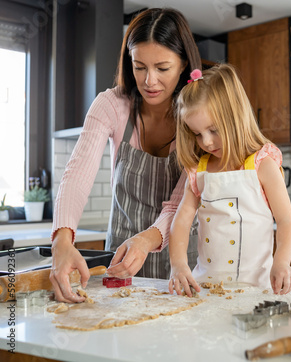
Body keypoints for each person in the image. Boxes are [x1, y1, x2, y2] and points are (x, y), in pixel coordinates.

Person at [50, 8, 200, 303]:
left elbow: (180, 203)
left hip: (183, 261)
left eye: (162, 67)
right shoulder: (111, 105)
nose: (150, 81)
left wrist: (146, 240)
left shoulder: (199, 115)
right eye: (140, 66)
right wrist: (61, 240)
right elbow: (76, 176)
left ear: (183, 64)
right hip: (121, 261)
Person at [168, 64, 291, 296]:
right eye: (197, 134)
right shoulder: (200, 170)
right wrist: (178, 264)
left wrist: (281, 262)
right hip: (206, 289)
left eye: (213, 130)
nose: (206, 142)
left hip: (257, 289)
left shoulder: (262, 164)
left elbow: (286, 221)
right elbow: (181, 221)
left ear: (236, 117)